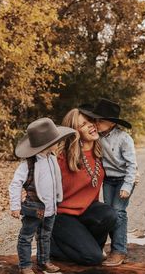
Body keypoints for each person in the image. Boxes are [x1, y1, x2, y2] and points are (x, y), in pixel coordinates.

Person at [9, 117, 75, 274]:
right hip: (34, 208)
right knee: (26, 237)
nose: (58, 144)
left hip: (50, 207)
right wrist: (15, 206)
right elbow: (15, 184)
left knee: (45, 235)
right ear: (46, 144)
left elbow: (55, 181)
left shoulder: (52, 159)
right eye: (55, 141)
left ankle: (43, 260)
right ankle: (25, 266)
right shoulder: (28, 164)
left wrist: (58, 198)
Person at [50, 109, 117, 266]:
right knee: (93, 258)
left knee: (109, 214)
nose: (92, 126)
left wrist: (132, 173)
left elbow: (119, 167)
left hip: (86, 211)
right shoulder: (62, 157)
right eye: (84, 124)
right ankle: (53, 247)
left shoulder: (101, 152)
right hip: (61, 216)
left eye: (91, 121)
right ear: (75, 131)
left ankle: (86, 246)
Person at [80, 98, 138, 266]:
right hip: (108, 180)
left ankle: (119, 250)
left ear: (112, 124)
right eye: (95, 120)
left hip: (124, 180)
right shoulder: (96, 137)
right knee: (109, 213)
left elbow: (132, 165)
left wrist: (128, 185)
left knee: (119, 212)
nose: (96, 123)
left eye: (100, 121)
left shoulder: (124, 138)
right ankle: (103, 247)